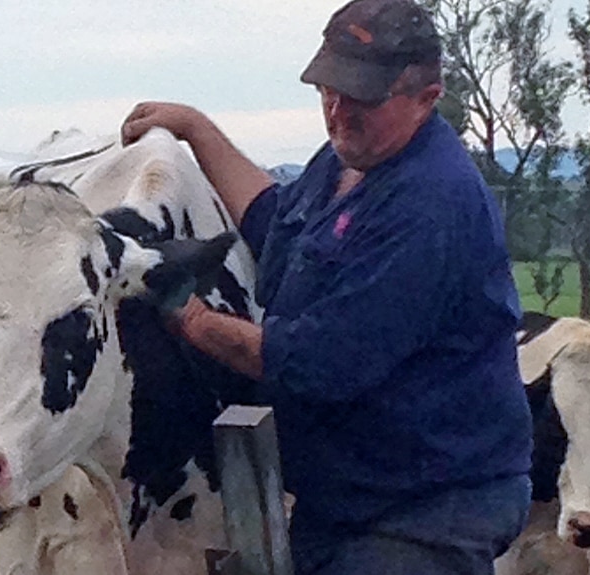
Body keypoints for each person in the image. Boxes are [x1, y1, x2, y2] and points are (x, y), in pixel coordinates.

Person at [121, 0, 533, 573]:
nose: (338, 113)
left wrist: (190, 319)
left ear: (426, 97)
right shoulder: (349, 161)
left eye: (362, 98)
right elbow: (274, 219)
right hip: (348, 501)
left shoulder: (430, 206)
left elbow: (320, 360)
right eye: (327, 91)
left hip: (425, 512)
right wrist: (196, 130)